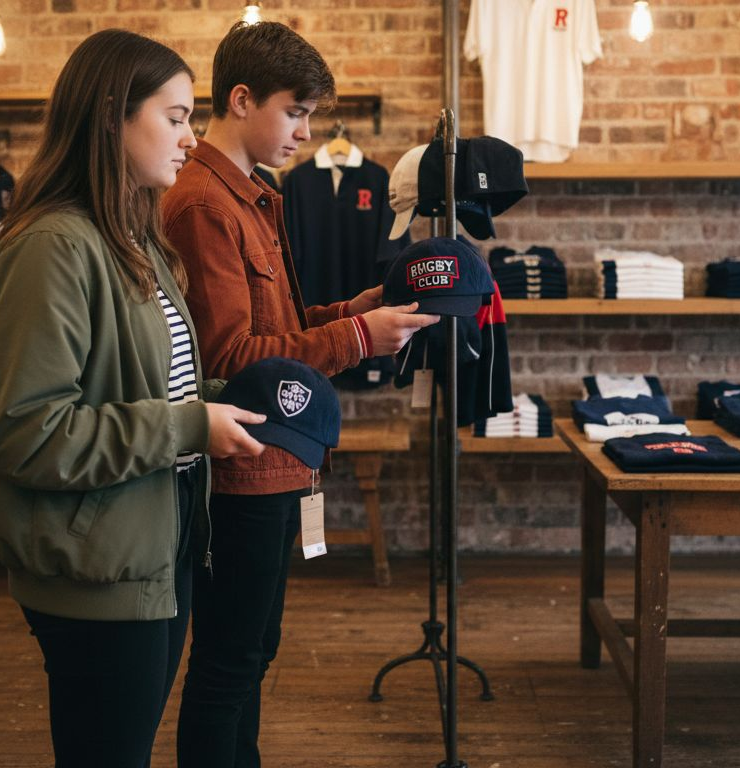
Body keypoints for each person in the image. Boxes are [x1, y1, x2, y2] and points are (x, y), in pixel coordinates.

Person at [0, 29, 267, 768]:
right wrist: (192, 424)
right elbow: (31, 433)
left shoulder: (129, 240)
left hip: (150, 552)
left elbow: (150, 384)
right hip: (93, 569)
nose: (190, 137)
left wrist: (250, 398)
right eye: (174, 117)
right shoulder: (52, 246)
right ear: (112, 117)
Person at [161, 21, 438, 768]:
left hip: (275, 460)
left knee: (252, 651)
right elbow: (232, 360)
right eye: (296, 112)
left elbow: (280, 329)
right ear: (243, 99)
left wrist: (365, 308)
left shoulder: (255, 198)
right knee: (230, 659)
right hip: (240, 465)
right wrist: (356, 340)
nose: (307, 132)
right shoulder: (203, 206)